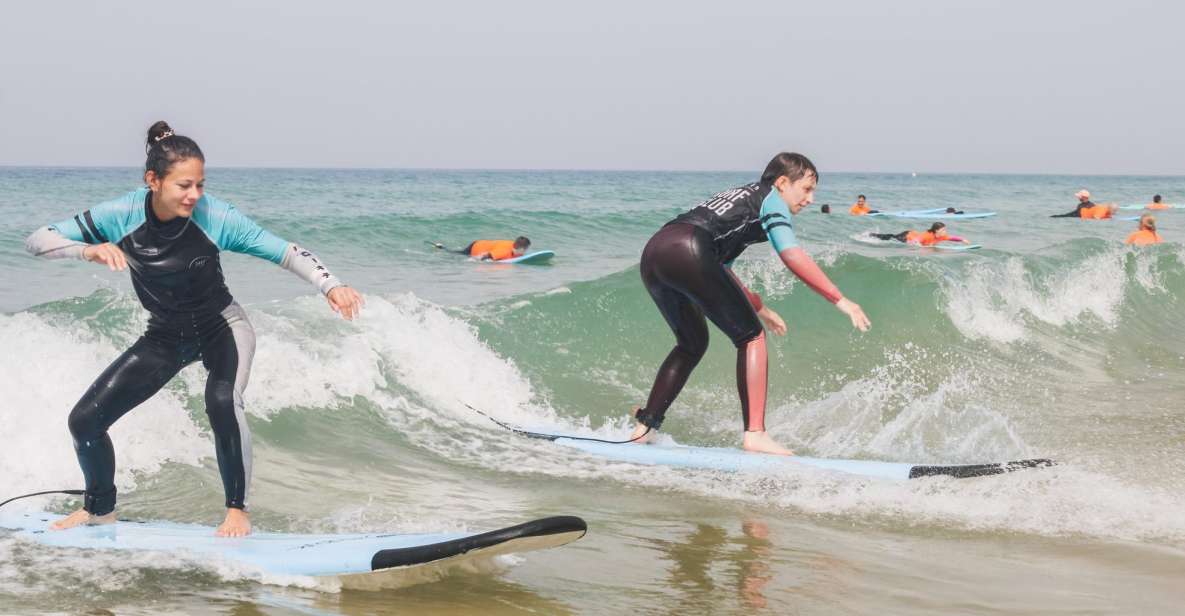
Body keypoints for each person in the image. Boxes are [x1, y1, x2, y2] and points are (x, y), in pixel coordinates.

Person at [24, 122, 365, 537]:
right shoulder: (121, 215)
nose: (195, 195)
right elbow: (38, 240)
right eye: (185, 185)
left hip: (222, 326)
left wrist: (332, 285)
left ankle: (237, 510)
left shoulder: (215, 217)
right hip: (164, 336)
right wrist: (87, 249)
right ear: (153, 180)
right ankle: (100, 509)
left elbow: (286, 251)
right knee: (85, 422)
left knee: (222, 400)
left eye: (200, 184)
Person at [631, 152, 871, 455]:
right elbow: (791, 253)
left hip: (656, 252)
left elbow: (721, 269)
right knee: (751, 337)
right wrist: (841, 300)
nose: (810, 199)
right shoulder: (771, 199)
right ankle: (755, 434)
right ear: (783, 183)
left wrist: (760, 308)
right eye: (807, 189)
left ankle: (645, 428)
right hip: (690, 248)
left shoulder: (745, 196)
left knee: (691, 343)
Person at [871, 222, 969, 246]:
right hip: (906, 236)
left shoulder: (942, 236)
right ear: (936, 231)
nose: (945, 232)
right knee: (891, 237)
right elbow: (915, 242)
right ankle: (873, 235)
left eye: (945, 230)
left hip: (913, 234)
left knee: (892, 236)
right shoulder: (926, 236)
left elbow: (952, 238)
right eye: (943, 230)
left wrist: (963, 239)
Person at [464, 237, 531, 261]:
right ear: (517, 245)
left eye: (526, 248)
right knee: (459, 254)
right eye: (524, 248)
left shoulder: (516, 248)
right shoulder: (503, 251)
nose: (525, 250)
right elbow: (484, 257)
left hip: (483, 243)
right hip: (475, 247)